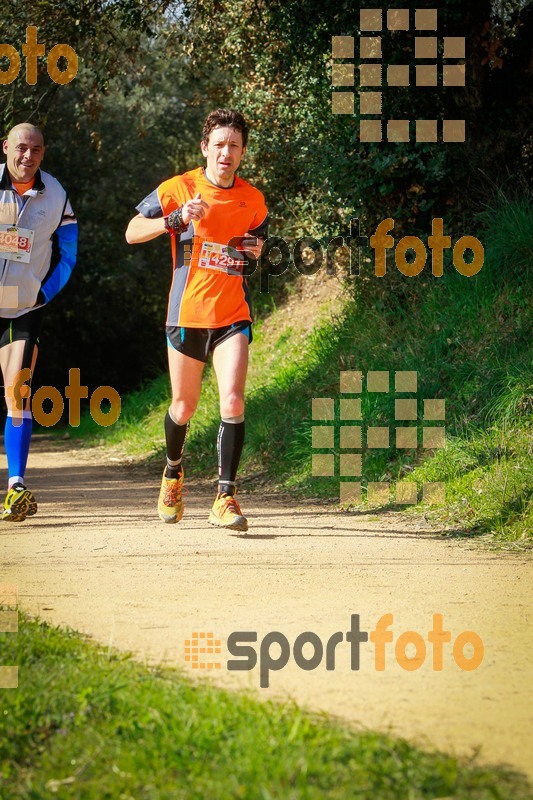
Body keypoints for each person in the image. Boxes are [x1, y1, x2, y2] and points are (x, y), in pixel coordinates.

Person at [126, 108, 268, 531]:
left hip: (231, 316)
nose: (227, 152)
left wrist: (254, 252)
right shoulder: (180, 187)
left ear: (242, 153)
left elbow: (252, 244)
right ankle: (173, 472)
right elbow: (133, 231)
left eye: (235, 146)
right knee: (184, 407)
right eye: (219, 144)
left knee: (233, 402)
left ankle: (225, 498)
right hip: (186, 314)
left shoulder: (253, 199)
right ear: (205, 147)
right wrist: (175, 219)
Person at [0, 123, 78, 522]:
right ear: (5, 148)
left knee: (18, 389)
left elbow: (69, 253)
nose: (27, 156)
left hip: (21, 306)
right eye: (20, 148)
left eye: (35, 149)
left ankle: (15, 486)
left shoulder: (57, 194)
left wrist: (44, 295)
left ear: (43, 153)